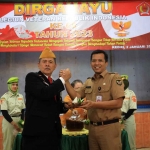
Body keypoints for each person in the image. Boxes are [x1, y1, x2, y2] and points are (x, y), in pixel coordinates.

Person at [60, 50, 125, 150]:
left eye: (100, 60)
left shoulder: (114, 78)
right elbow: (76, 97)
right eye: (94, 61)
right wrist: (67, 81)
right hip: (92, 128)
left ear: (106, 63)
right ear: (91, 63)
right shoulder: (89, 81)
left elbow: (118, 103)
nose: (97, 63)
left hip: (109, 127)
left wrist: (93, 104)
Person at [21, 47, 71, 150]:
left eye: (50, 62)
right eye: (44, 62)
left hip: (53, 134)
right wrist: (63, 79)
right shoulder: (32, 77)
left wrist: (65, 106)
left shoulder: (53, 82)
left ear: (55, 66)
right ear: (38, 65)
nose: (47, 64)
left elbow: (53, 105)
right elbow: (44, 93)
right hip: (36, 135)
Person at [0, 77, 25, 150]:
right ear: (9, 86)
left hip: (19, 121)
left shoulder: (20, 96)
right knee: (9, 144)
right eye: (13, 84)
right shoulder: (4, 97)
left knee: (20, 142)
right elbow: (4, 113)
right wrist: (14, 124)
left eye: (16, 85)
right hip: (9, 122)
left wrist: (21, 123)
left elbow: (23, 111)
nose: (15, 86)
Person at [121, 77, 137, 150]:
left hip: (128, 118)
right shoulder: (118, 94)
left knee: (130, 139)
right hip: (118, 118)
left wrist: (124, 118)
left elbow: (132, 108)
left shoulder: (131, 93)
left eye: (122, 83)